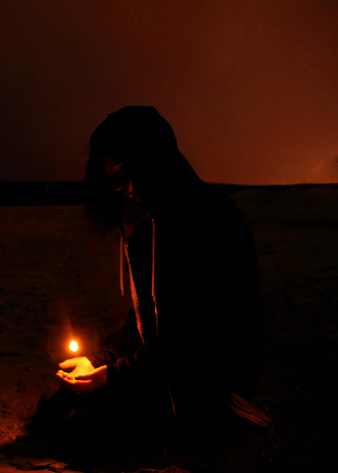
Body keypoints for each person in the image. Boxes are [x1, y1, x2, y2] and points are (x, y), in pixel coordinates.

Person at [32, 106, 269, 443]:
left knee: (73, 425)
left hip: (205, 385)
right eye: (110, 178)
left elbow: (189, 340)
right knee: (55, 403)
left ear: (148, 161)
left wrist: (111, 377)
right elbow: (147, 323)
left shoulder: (200, 220)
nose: (119, 188)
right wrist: (100, 360)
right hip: (167, 368)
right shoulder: (153, 220)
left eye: (121, 173)